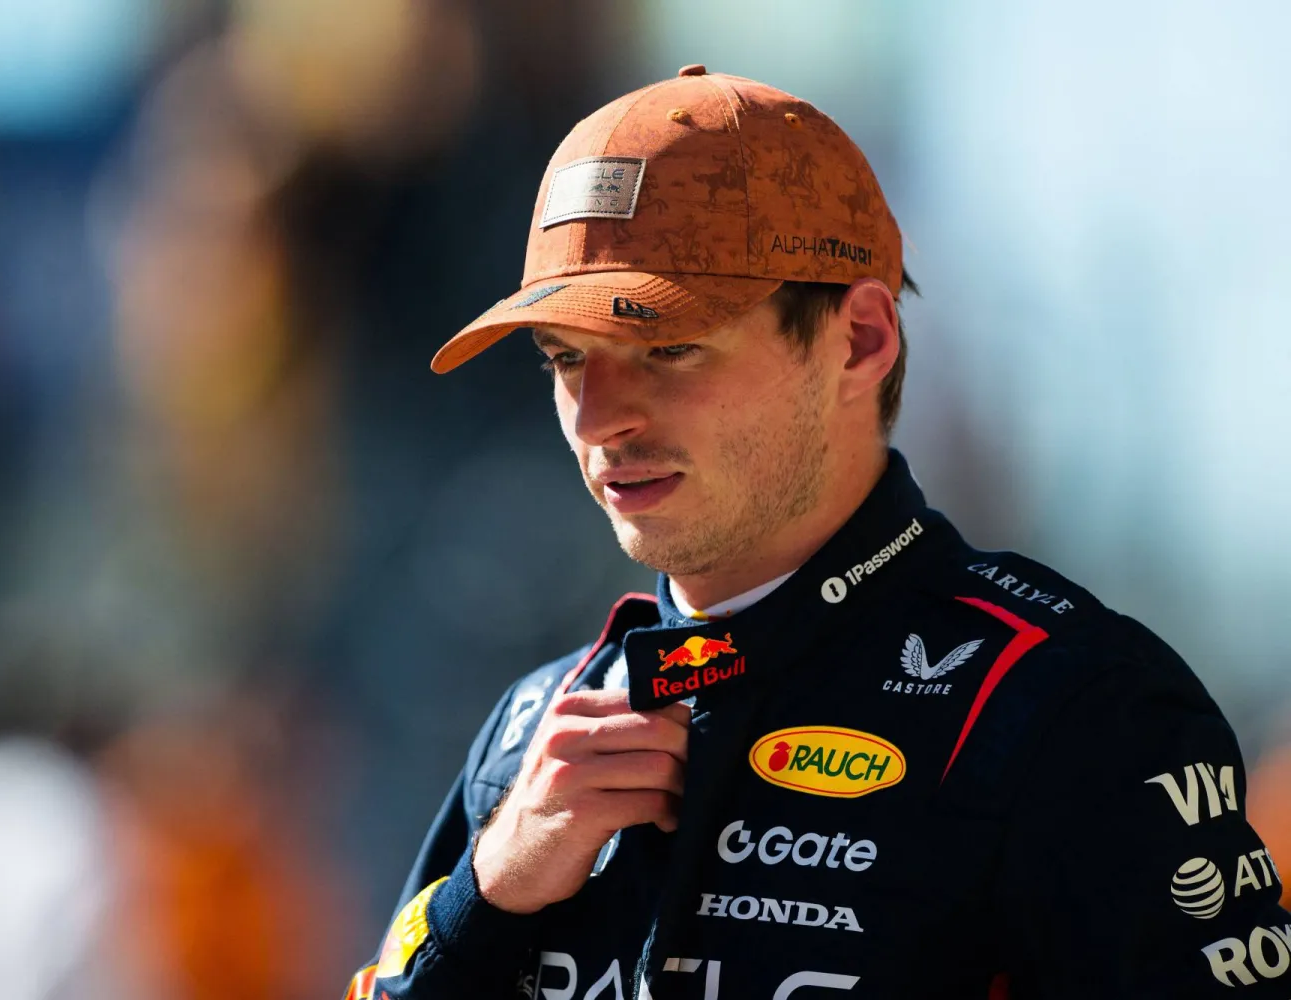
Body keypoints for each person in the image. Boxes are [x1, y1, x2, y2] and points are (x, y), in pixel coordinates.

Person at [344, 66, 1291, 999]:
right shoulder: (536, 729)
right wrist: (484, 899)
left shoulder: (1066, 705)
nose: (598, 420)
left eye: (668, 348)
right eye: (565, 359)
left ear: (859, 341)